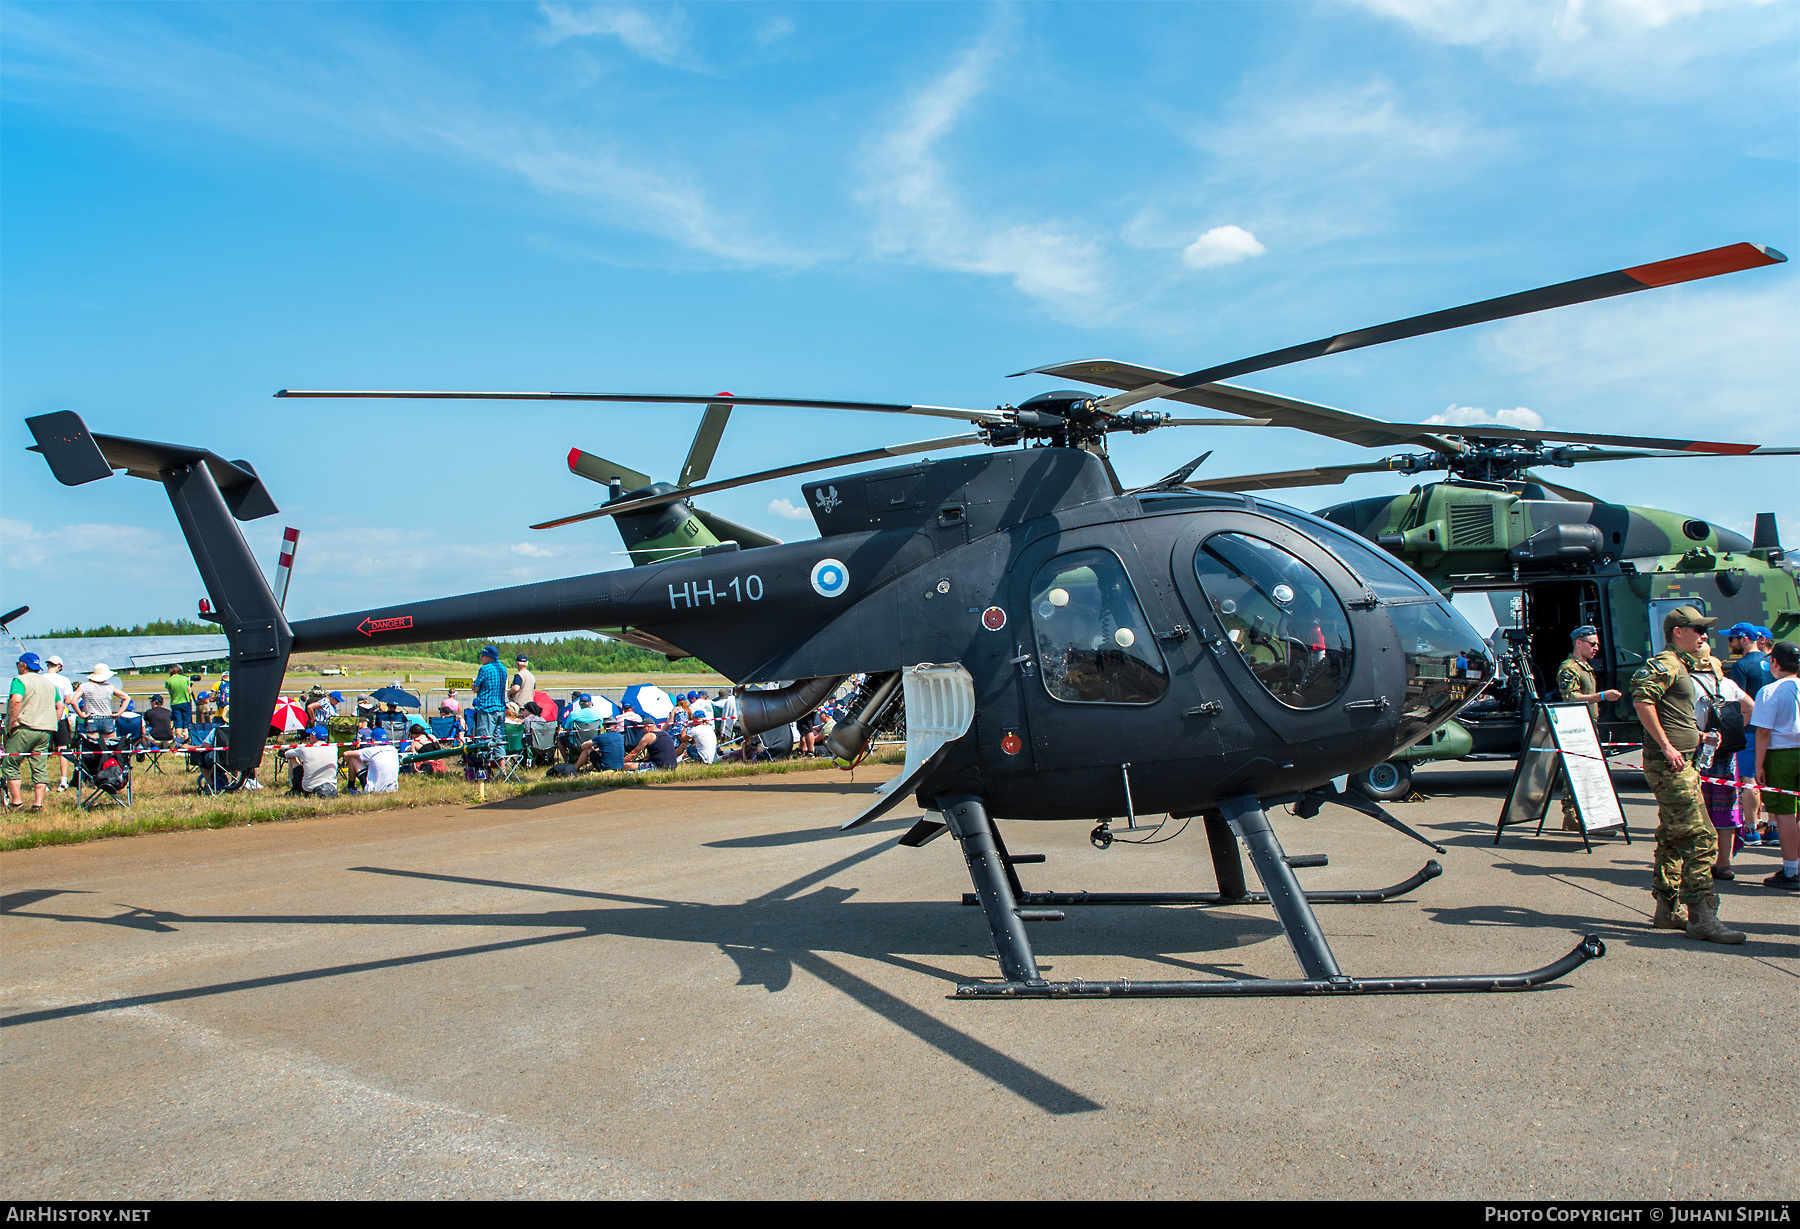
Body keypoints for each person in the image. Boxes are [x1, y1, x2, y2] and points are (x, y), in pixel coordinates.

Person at [1629, 606, 1744, 943]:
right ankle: (1702, 918)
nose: (1704, 636)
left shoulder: (1680, 666)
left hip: (1683, 762)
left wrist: (1699, 735)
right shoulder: (1665, 664)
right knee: (1700, 838)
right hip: (1672, 767)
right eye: (1697, 629)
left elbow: (1673, 712)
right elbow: (1642, 701)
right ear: (1677, 632)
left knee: (1672, 836)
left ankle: (1667, 911)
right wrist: (1666, 745)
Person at [1690, 643, 1754, 879]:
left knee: (1696, 806)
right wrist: (1732, 730)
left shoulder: (1688, 685)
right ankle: (1724, 862)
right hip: (1726, 753)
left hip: (1697, 750)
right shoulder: (1727, 684)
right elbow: (1749, 707)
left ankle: (1699, 861)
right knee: (1726, 804)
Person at [1553, 625, 1620, 831]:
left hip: (1588, 724)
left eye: (1597, 644)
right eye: (1592, 644)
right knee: (1577, 772)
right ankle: (1572, 815)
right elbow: (1570, 697)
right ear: (1579, 643)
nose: (1596, 648)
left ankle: (1579, 817)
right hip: (1576, 727)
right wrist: (1601, 696)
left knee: (1586, 772)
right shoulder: (1569, 668)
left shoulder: (1584, 667)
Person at [1751, 639, 1800, 891]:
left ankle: (1792, 870)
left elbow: (1763, 733)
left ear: (1774, 662)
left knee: (1784, 814)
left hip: (1781, 754)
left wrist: (1759, 765)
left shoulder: (1770, 690)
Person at [5, 653, 64, 815]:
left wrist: (12, 721)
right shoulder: (49, 684)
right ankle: (38, 804)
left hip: (24, 728)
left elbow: (16, 700)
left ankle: (16, 803)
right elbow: (60, 705)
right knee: (40, 767)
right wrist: (53, 722)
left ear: (23, 665)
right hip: (45, 731)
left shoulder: (20, 680)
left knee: (10, 764)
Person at [41, 655, 76, 792]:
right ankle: (63, 780)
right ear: (59, 666)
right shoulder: (64, 680)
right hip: (60, 717)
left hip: (43, 718)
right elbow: (68, 700)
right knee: (63, 749)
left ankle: (43, 781)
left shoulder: (42, 678)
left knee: (42, 750)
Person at [71, 664, 131, 737]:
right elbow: (126, 698)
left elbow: (73, 701)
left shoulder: (84, 686)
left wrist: (81, 715)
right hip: (107, 718)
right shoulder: (109, 687)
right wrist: (119, 713)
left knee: (92, 745)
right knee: (110, 744)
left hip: (92, 718)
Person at [471, 645, 507, 765]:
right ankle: (502, 769)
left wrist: (472, 684)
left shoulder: (484, 669)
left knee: (485, 739)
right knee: (499, 739)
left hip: (487, 709)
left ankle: (485, 768)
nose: (481, 658)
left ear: (489, 657)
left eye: (483, 655)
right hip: (500, 709)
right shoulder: (503, 668)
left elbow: (476, 688)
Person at [283, 726, 340, 797]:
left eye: (310, 735)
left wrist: (298, 749)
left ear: (313, 737)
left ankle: (294, 788)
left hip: (309, 788)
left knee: (291, 758)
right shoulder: (334, 748)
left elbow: (287, 754)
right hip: (331, 786)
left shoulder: (305, 748)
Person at [345, 727, 400, 793]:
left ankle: (350, 786)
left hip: (374, 790)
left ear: (374, 740)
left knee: (352, 758)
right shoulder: (393, 749)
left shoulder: (372, 750)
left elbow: (346, 753)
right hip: (392, 789)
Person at [166, 666, 193, 732]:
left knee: (178, 724)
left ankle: (178, 739)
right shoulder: (185, 678)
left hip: (175, 702)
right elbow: (189, 691)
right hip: (185, 702)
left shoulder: (168, 680)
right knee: (186, 724)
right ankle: (186, 739)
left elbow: (170, 692)